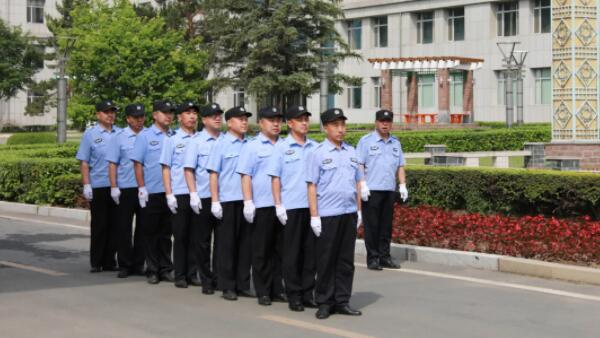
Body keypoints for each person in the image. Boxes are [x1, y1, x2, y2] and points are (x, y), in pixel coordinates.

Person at [306, 108, 363, 319]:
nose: (341, 129)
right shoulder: (318, 153)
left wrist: (359, 211)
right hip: (327, 214)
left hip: (348, 212)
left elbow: (357, 182)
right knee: (326, 259)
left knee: (345, 260)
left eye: (343, 125)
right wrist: (314, 215)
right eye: (336, 125)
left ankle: (342, 300)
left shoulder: (352, 152)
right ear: (326, 128)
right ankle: (324, 301)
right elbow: (311, 186)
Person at [267, 105, 318, 312]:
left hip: (312, 207)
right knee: (292, 253)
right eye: (300, 119)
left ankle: (308, 293)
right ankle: (294, 294)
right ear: (290, 123)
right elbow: (275, 178)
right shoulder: (281, 148)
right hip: (291, 207)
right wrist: (278, 204)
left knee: (310, 254)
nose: (304, 123)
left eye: (306, 119)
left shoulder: (315, 147)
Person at [236, 106, 285, 306]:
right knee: (261, 250)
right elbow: (246, 175)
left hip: (283, 205)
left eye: (278, 120)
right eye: (271, 120)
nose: (275, 124)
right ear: (261, 122)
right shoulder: (252, 146)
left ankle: (277, 289)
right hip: (262, 204)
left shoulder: (285, 145)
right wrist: (248, 201)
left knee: (280, 250)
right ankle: (263, 290)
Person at [205, 106, 252, 301]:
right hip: (228, 200)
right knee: (227, 245)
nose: (244, 122)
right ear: (229, 122)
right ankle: (227, 285)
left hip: (247, 201)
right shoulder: (221, 144)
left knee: (245, 244)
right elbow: (214, 174)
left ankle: (242, 284)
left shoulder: (251, 144)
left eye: (245, 119)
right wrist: (215, 200)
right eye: (239, 119)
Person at [130, 100, 176, 285]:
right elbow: (138, 163)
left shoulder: (175, 135)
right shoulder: (145, 136)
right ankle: (152, 269)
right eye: (164, 112)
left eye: (171, 112)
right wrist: (141, 188)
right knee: (150, 232)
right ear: (155, 115)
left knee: (167, 233)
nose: (169, 115)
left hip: (171, 192)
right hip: (152, 191)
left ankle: (166, 268)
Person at [357, 109, 408, 271]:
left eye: (388, 121)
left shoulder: (395, 143)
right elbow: (359, 164)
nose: (385, 124)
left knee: (386, 226)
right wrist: (362, 185)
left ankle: (384, 256)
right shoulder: (366, 141)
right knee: (372, 226)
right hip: (371, 190)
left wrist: (402, 185)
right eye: (382, 121)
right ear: (376, 122)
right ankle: (373, 258)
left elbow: (400, 165)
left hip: (388, 190)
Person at [183, 103, 224, 295]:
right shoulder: (196, 141)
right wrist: (193, 194)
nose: (217, 118)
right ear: (204, 120)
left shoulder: (226, 140)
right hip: (204, 196)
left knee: (223, 242)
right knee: (203, 241)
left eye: (219, 115)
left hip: (224, 198)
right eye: (212, 115)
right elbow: (189, 170)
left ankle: (219, 277)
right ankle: (206, 278)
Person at [76, 100, 120, 273]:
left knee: (116, 225)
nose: (110, 115)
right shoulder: (90, 134)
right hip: (99, 184)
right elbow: (84, 161)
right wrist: (86, 184)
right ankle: (96, 261)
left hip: (117, 186)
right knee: (100, 225)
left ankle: (110, 260)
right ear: (98, 115)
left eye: (113, 112)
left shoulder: (120, 133)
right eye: (106, 112)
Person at [160, 101, 198, 288]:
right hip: (181, 192)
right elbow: (166, 168)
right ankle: (181, 274)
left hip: (199, 193)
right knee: (181, 235)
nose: (192, 116)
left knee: (196, 236)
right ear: (180, 117)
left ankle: (193, 273)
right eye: (188, 113)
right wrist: (169, 194)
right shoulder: (172, 139)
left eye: (194, 113)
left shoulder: (200, 138)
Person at [106, 103, 146, 278]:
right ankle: (125, 264)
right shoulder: (119, 137)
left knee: (143, 229)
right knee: (124, 228)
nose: (139, 120)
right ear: (128, 119)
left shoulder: (149, 135)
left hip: (145, 188)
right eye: (136, 117)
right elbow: (113, 163)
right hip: (125, 188)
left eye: (142, 117)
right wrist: (114, 186)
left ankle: (138, 264)